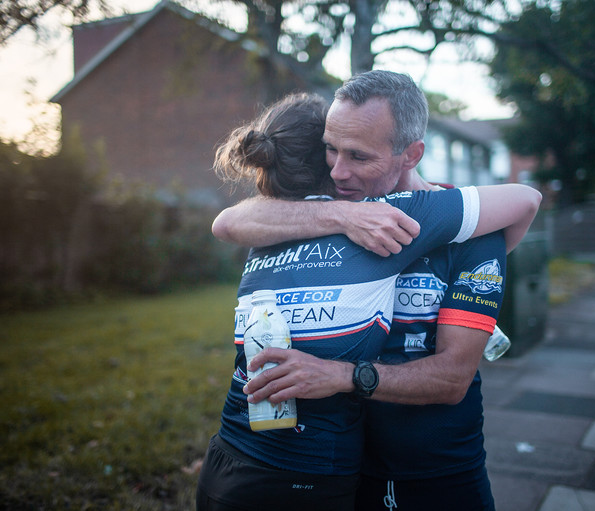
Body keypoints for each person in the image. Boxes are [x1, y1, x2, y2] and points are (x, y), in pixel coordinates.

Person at [197, 90, 541, 511]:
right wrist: (344, 215)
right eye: (331, 150)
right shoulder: (313, 220)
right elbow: (228, 221)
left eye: (358, 157)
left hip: (436, 474)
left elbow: (453, 379)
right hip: (348, 473)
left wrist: (342, 375)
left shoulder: (472, 226)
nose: (339, 172)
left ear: (410, 155)